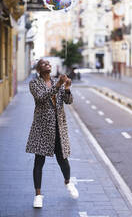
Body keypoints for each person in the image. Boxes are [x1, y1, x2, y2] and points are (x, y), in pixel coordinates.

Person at [26, 59, 79, 208]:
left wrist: (67, 88)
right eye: (44, 64)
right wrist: (58, 85)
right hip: (42, 128)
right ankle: (38, 195)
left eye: (49, 63)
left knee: (63, 159)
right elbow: (41, 98)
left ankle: (68, 182)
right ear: (38, 69)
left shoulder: (58, 82)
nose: (47, 65)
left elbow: (68, 101)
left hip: (58, 127)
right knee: (39, 161)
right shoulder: (34, 84)